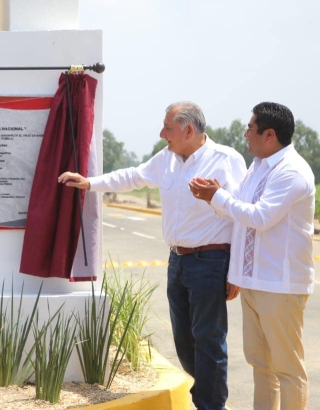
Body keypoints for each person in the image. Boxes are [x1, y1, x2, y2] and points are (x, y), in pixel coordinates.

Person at [59, 101, 247, 410]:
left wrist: (235, 272)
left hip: (211, 263)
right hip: (177, 262)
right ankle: (206, 399)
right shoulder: (167, 159)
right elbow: (133, 176)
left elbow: (241, 219)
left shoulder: (226, 161)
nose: (162, 134)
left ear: (189, 130)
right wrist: (90, 183)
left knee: (209, 341)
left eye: (168, 128)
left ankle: (211, 406)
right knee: (186, 345)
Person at [189, 102, 314, 409]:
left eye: (250, 128)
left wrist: (216, 197)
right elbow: (242, 216)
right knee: (262, 366)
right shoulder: (258, 167)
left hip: (280, 286)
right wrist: (219, 195)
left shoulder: (292, 172)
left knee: (287, 369)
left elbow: (259, 217)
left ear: (269, 134)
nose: (245, 134)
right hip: (256, 282)